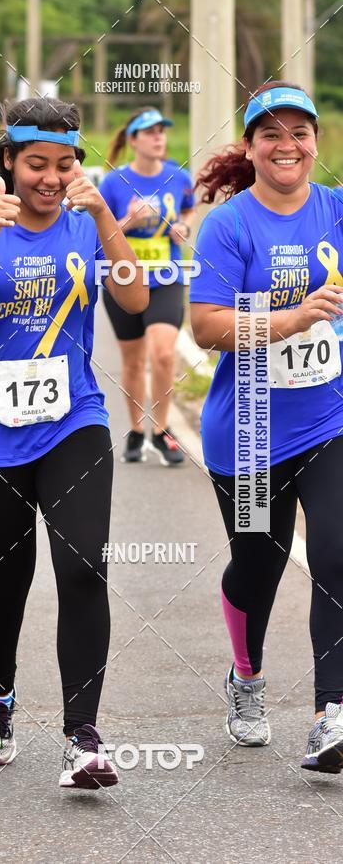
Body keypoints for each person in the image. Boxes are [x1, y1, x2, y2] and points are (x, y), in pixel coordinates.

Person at [0, 97, 147, 789]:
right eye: (35, 164)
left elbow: (136, 300)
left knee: (83, 565)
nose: (51, 178)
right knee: (7, 576)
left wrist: (107, 219)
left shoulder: (86, 226)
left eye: (64, 164)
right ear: (7, 162)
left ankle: (82, 735)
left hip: (73, 421)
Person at [190, 81, 343, 771]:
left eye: (299, 133)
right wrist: (292, 319)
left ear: (315, 141)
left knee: (337, 553)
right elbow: (206, 327)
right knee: (260, 563)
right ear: (250, 147)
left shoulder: (336, 211)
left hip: (328, 417)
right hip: (249, 428)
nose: (287, 146)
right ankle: (246, 676)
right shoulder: (229, 226)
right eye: (271, 135)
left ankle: (330, 714)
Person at [100, 107, 195, 465]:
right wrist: (129, 220)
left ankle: (162, 429)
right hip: (123, 280)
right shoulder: (113, 183)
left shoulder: (179, 177)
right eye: (150, 132)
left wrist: (183, 227)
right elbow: (101, 232)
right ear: (133, 140)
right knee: (134, 360)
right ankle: (137, 430)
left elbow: (188, 209)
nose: (159, 137)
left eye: (162, 131)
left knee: (164, 353)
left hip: (166, 277)